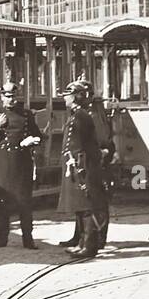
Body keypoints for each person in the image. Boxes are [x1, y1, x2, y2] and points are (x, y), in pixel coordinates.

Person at [0, 82, 42, 249]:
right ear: (1, 97)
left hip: (22, 164)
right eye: (7, 96)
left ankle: (28, 238)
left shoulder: (26, 115)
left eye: (14, 96)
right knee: (1, 203)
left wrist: (34, 140)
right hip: (2, 164)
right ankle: (2, 237)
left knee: (25, 203)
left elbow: (38, 135)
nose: (11, 99)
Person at [58, 78, 110, 259]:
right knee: (80, 206)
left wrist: (79, 166)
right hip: (77, 165)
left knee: (87, 207)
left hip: (83, 166)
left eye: (68, 95)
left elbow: (85, 146)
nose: (65, 98)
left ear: (75, 97)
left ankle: (89, 246)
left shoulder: (81, 116)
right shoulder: (77, 114)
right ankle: (82, 242)